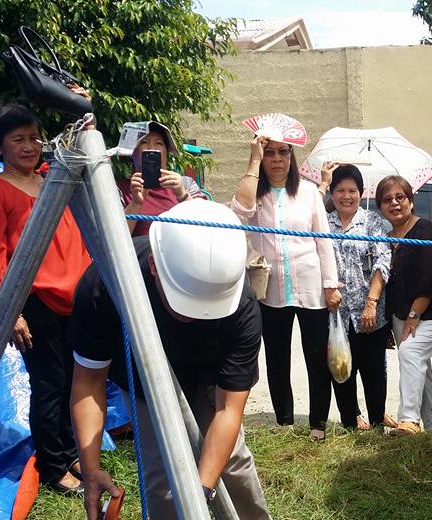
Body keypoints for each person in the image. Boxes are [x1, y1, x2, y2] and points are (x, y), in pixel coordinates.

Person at [71, 200, 303, 520]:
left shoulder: (241, 306)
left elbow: (229, 408)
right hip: (144, 376)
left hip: (208, 372)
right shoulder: (106, 286)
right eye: (188, 304)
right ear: (157, 268)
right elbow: (88, 382)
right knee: (162, 474)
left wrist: (202, 492)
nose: (196, 315)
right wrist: (90, 464)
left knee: (231, 458)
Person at [0, 104, 93, 496]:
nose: (29, 146)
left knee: (77, 379)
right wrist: (13, 311)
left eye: (34, 137)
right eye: (17, 139)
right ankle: (54, 466)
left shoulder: (54, 180)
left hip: (77, 296)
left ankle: (70, 450)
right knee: (49, 382)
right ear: (0, 146)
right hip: (36, 301)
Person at [230, 123, 341, 441]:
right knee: (276, 358)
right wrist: (253, 161)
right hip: (270, 290)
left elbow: (324, 241)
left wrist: (331, 284)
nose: (277, 159)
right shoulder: (255, 191)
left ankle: (318, 423)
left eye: (283, 152)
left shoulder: (307, 192)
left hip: (311, 287)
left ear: (292, 157)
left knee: (316, 357)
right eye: (270, 152)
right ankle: (284, 420)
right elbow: (239, 211)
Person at [378, 175, 432, 436]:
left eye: (400, 197)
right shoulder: (385, 237)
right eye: (387, 200)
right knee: (420, 366)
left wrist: (413, 315)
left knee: (410, 354)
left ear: (411, 200)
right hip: (399, 315)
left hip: (430, 314)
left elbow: (431, 276)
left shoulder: (427, 230)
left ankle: (409, 419)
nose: (395, 204)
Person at [326, 164, 396, 431]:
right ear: (332, 193)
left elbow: (382, 262)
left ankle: (377, 424)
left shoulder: (373, 222)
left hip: (370, 314)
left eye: (352, 190)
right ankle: (349, 424)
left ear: (360, 192)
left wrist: (371, 303)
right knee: (342, 369)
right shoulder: (323, 223)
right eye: (341, 190)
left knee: (374, 371)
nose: (347, 196)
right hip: (337, 314)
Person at [114, 121, 204, 236]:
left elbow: (205, 228)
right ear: (133, 152)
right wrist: (135, 204)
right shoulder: (120, 189)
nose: (152, 148)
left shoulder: (185, 183)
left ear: (166, 152)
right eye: (144, 142)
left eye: (159, 143)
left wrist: (182, 195)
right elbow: (117, 239)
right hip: (141, 251)